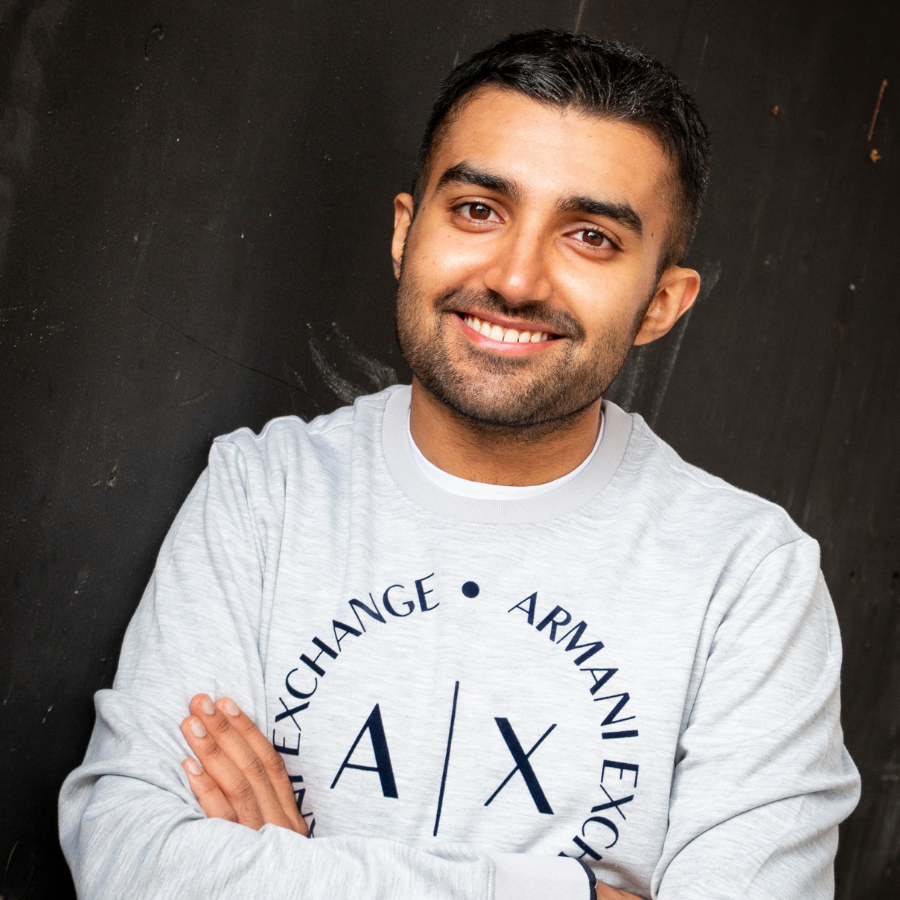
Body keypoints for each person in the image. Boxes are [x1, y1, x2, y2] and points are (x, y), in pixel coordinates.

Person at [59, 29, 860, 900]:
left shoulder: (749, 578)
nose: (517, 278)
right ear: (407, 233)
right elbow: (128, 862)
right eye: (479, 210)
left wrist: (283, 873)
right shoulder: (265, 492)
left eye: (589, 235)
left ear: (661, 304)